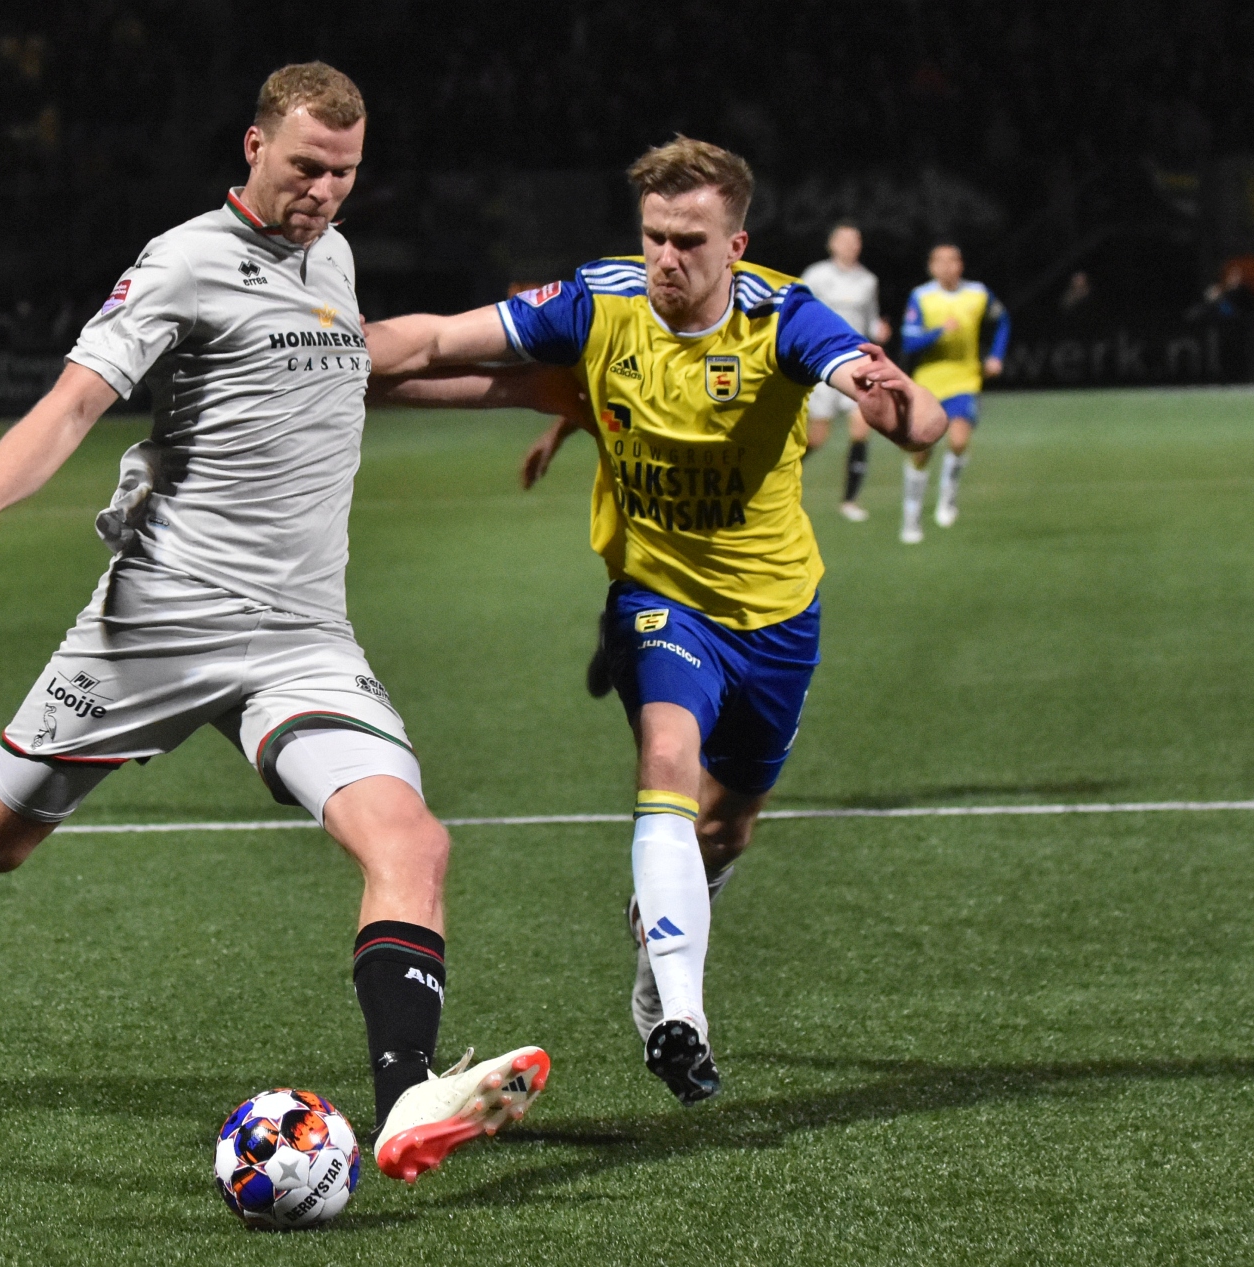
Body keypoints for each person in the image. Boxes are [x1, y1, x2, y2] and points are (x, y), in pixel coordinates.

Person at [0, 62, 547, 1183]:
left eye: (346, 172)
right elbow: (74, 400)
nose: (324, 191)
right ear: (253, 147)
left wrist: (525, 388)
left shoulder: (334, 256)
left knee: (413, 841)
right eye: (306, 167)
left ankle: (407, 1096)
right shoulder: (183, 262)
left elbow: (350, 369)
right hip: (162, 622)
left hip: (302, 635)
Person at [366, 137, 944, 1105]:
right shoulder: (602, 298)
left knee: (729, 825)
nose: (666, 258)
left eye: (688, 240)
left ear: (736, 242)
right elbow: (434, 346)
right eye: (653, 236)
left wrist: (893, 401)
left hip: (775, 614)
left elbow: (908, 417)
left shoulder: (783, 315)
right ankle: (682, 1016)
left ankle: (661, 948)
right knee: (667, 760)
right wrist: (310, 345)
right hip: (659, 595)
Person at [898, 243, 1007, 542]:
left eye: (953, 260)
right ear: (931, 267)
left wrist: (996, 355)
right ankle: (911, 515)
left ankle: (947, 496)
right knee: (921, 452)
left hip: (964, 381)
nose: (947, 266)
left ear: (961, 264)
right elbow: (908, 344)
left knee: (959, 440)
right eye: (940, 261)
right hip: (928, 384)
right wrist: (937, 332)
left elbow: (1002, 321)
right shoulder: (921, 297)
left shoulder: (978, 293)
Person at [801, 221, 891, 522]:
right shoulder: (815, 276)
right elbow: (797, 311)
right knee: (817, 438)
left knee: (861, 427)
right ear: (832, 244)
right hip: (821, 364)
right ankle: (778, 481)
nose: (851, 246)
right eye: (845, 240)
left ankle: (850, 501)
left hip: (855, 363)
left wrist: (880, 330)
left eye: (856, 240)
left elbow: (871, 321)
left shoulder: (868, 280)